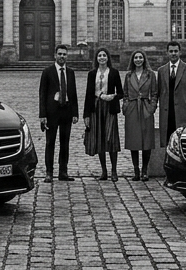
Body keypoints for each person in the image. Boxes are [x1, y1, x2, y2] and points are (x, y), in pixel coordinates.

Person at [38, 44, 78, 182]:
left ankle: (63, 172)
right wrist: (42, 115)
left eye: (64, 54)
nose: (62, 56)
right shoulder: (47, 72)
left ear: (67, 56)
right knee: (50, 142)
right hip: (52, 112)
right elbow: (42, 94)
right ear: (55, 55)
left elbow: (73, 94)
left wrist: (75, 113)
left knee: (65, 143)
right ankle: (49, 172)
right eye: (60, 54)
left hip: (66, 110)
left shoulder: (71, 72)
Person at [84, 47, 122, 181]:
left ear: (108, 58)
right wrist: (86, 115)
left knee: (111, 138)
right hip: (95, 107)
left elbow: (121, 93)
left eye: (104, 55)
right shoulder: (91, 73)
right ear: (96, 58)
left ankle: (114, 170)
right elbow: (88, 94)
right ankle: (104, 171)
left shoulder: (114, 73)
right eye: (99, 55)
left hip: (109, 108)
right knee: (99, 138)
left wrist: (112, 96)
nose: (102, 58)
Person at [121, 50, 157, 180]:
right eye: (136, 57)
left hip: (145, 109)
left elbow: (154, 93)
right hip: (132, 110)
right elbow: (125, 93)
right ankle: (136, 170)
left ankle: (145, 170)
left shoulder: (150, 75)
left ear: (144, 59)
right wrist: (126, 106)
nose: (138, 60)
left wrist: (151, 108)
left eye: (140, 57)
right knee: (133, 141)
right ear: (132, 60)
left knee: (146, 140)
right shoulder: (128, 75)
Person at [158, 41, 186, 145]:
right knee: (168, 141)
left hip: (182, 113)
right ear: (167, 53)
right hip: (167, 113)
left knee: (182, 141)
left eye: (176, 51)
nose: (173, 53)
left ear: (180, 52)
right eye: (171, 51)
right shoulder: (161, 71)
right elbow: (158, 91)